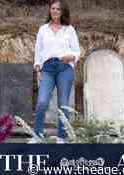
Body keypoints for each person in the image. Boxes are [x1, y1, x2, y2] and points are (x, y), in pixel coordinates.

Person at [29, 0, 81, 143]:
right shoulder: (43, 29)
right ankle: (37, 135)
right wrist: (38, 69)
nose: (55, 11)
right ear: (50, 10)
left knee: (63, 104)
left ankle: (62, 136)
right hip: (47, 69)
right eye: (53, 8)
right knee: (42, 102)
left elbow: (77, 51)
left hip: (64, 67)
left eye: (58, 9)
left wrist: (72, 57)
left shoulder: (69, 29)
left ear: (63, 12)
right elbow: (38, 51)